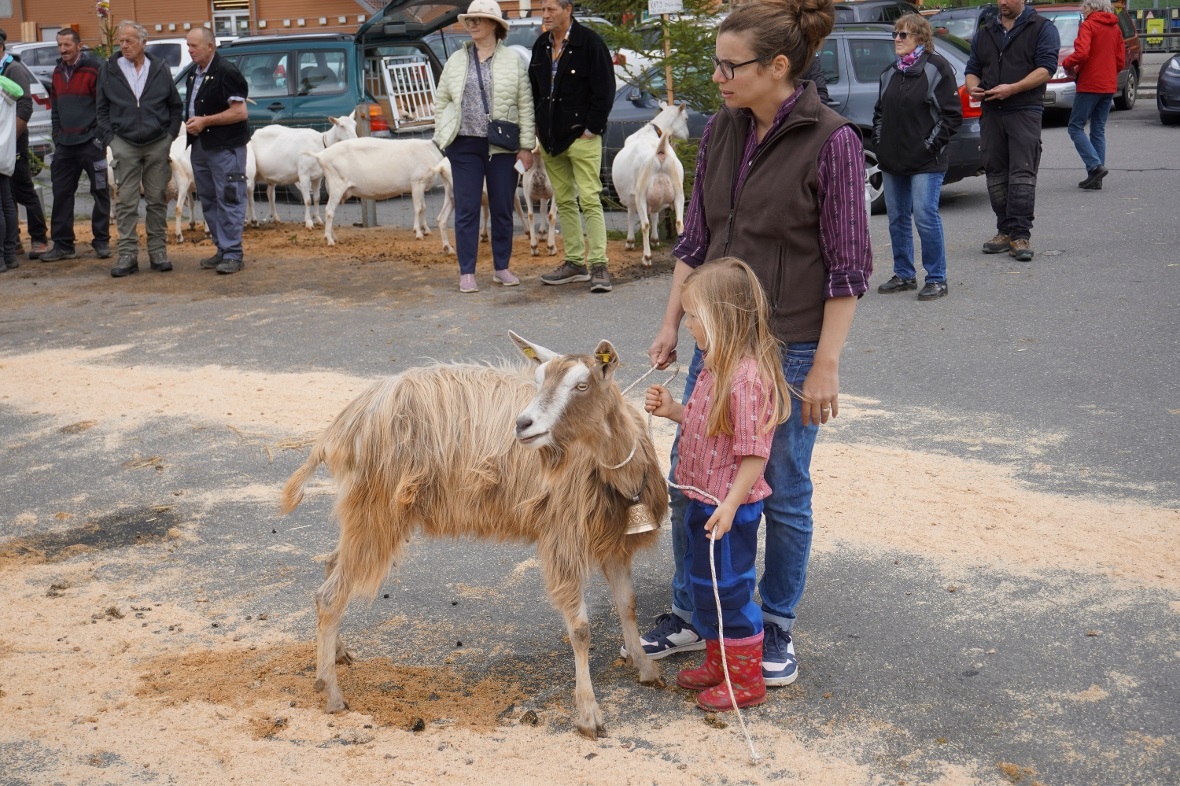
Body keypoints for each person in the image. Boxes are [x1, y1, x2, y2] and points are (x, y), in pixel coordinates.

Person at [639, 0, 872, 690]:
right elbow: (696, 240)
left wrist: (825, 364)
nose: (717, 77)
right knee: (692, 473)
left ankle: (773, 623)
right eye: (716, 63)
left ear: (777, 67)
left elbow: (848, 268)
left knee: (783, 486)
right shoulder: (722, 130)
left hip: (791, 347)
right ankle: (697, 610)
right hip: (717, 341)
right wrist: (671, 322)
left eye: (729, 66)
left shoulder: (833, 141)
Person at [644, 258, 791, 711]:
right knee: (705, 586)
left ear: (722, 318)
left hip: (729, 509)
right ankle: (719, 663)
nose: (686, 324)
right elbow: (709, 424)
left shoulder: (746, 379)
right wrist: (673, 410)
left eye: (693, 316)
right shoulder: (713, 366)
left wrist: (730, 504)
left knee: (729, 590)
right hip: (702, 499)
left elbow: (754, 453)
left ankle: (746, 681)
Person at [433, 0, 535, 293]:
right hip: (464, 145)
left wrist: (526, 146)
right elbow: (442, 101)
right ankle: (467, 272)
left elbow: (525, 105)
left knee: (503, 208)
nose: (472, 24)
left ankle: (501, 267)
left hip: (502, 146)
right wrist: (444, 136)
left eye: (479, 19)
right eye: (470, 20)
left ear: (494, 25)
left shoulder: (512, 61)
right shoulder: (456, 60)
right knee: (466, 209)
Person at [873, 13, 963, 301]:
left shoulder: (937, 68)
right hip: (892, 160)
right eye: (896, 34)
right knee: (897, 218)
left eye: (904, 34)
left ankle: (936, 279)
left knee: (924, 216)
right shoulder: (890, 72)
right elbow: (879, 113)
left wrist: (928, 147)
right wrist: (880, 143)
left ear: (921, 38)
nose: (897, 39)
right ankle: (904, 274)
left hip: (926, 160)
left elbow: (952, 116)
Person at [528, 0, 616, 293]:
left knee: (589, 199)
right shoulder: (541, 45)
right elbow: (535, 91)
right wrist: (539, 129)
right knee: (564, 201)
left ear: (568, 10)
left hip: (582, 138)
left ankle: (599, 265)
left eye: (551, 9)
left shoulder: (590, 43)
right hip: (551, 141)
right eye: (543, 9)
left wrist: (592, 129)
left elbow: (605, 89)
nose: (545, 15)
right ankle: (575, 263)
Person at [965, 0, 1060, 262]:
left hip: (1025, 109)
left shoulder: (1042, 28)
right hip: (991, 111)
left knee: (1022, 172)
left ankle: (1020, 235)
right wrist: (972, 87)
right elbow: (972, 69)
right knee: (995, 171)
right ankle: (1004, 230)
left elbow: (1046, 69)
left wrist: (1013, 88)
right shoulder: (986, 30)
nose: (1002, 2)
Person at [97, 21, 183, 277]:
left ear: (144, 43)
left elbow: (175, 106)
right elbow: (101, 109)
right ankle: (127, 255)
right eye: (121, 41)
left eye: (129, 41)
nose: (124, 46)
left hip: (157, 143)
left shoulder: (159, 68)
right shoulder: (109, 69)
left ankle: (158, 252)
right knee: (126, 201)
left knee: (157, 198)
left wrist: (169, 137)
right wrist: (112, 140)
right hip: (124, 144)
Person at [183, 27, 250, 275]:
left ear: (210, 47)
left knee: (229, 198)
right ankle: (222, 249)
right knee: (209, 199)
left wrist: (204, 121)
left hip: (225, 147)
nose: (190, 50)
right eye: (188, 45)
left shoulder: (227, 72)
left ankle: (233, 253)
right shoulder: (194, 73)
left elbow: (240, 112)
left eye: (194, 46)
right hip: (201, 146)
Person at [42, 29, 111, 264]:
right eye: (60, 45)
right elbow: (55, 108)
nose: (63, 50)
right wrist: (57, 135)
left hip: (91, 144)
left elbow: (104, 106)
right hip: (65, 145)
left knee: (100, 191)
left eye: (67, 45)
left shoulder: (94, 69)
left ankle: (101, 241)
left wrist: (98, 138)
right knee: (61, 193)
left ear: (79, 46)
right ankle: (63, 245)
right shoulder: (57, 72)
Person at [1063, 0, 1124, 190]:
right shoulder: (1115, 28)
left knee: (1075, 127)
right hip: (1108, 84)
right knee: (1098, 129)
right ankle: (1096, 177)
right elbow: (1120, 60)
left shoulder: (1089, 25)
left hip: (1090, 83)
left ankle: (1095, 167)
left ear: (1094, 7)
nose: (1083, 10)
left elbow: (1082, 53)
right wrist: (1109, 74)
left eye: (1085, 7)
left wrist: (1067, 64)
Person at [0, 31, 49, 261]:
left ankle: (39, 237)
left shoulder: (14, 70)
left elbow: (25, 108)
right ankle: (12, 242)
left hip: (14, 141)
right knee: (6, 194)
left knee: (23, 190)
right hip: (2, 142)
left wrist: (10, 139)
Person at [0, 72, 21, 271]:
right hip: (4, 154)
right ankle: (9, 255)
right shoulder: (6, 86)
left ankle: (0, 258)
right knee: (7, 204)